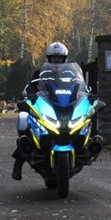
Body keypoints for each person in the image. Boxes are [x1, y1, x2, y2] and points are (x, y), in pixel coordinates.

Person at [12, 42, 69, 180]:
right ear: (49, 58)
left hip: (65, 107)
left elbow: (80, 87)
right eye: (54, 58)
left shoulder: (69, 72)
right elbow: (32, 86)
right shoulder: (40, 72)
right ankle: (18, 164)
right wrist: (30, 95)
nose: (56, 61)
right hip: (46, 107)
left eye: (59, 58)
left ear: (64, 58)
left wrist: (85, 94)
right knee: (27, 128)